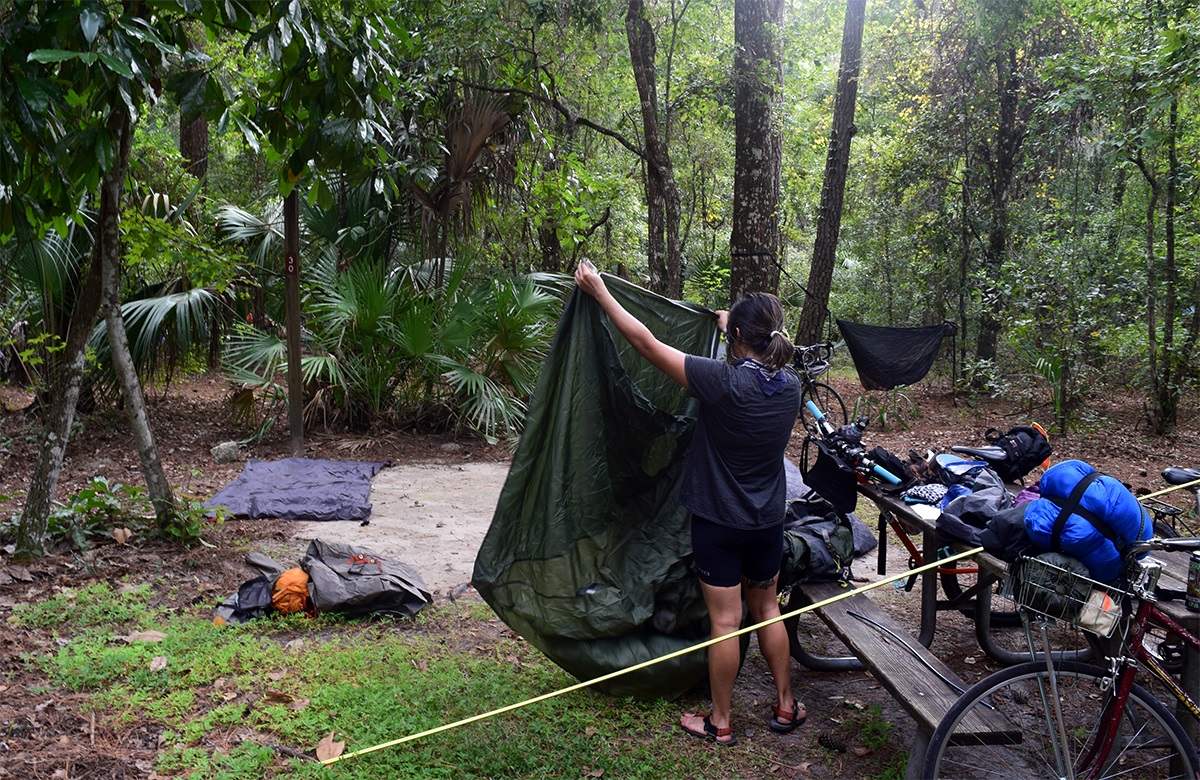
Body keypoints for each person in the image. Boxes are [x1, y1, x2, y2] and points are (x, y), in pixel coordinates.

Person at [573, 260, 805, 747]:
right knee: (767, 609)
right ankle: (787, 704)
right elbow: (758, 353)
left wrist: (599, 292)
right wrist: (730, 325)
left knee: (725, 621)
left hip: (718, 524)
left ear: (739, 335)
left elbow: (645, 344)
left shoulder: (720, 381)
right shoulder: (791, 387)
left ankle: (720, 721)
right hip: (766, 522)